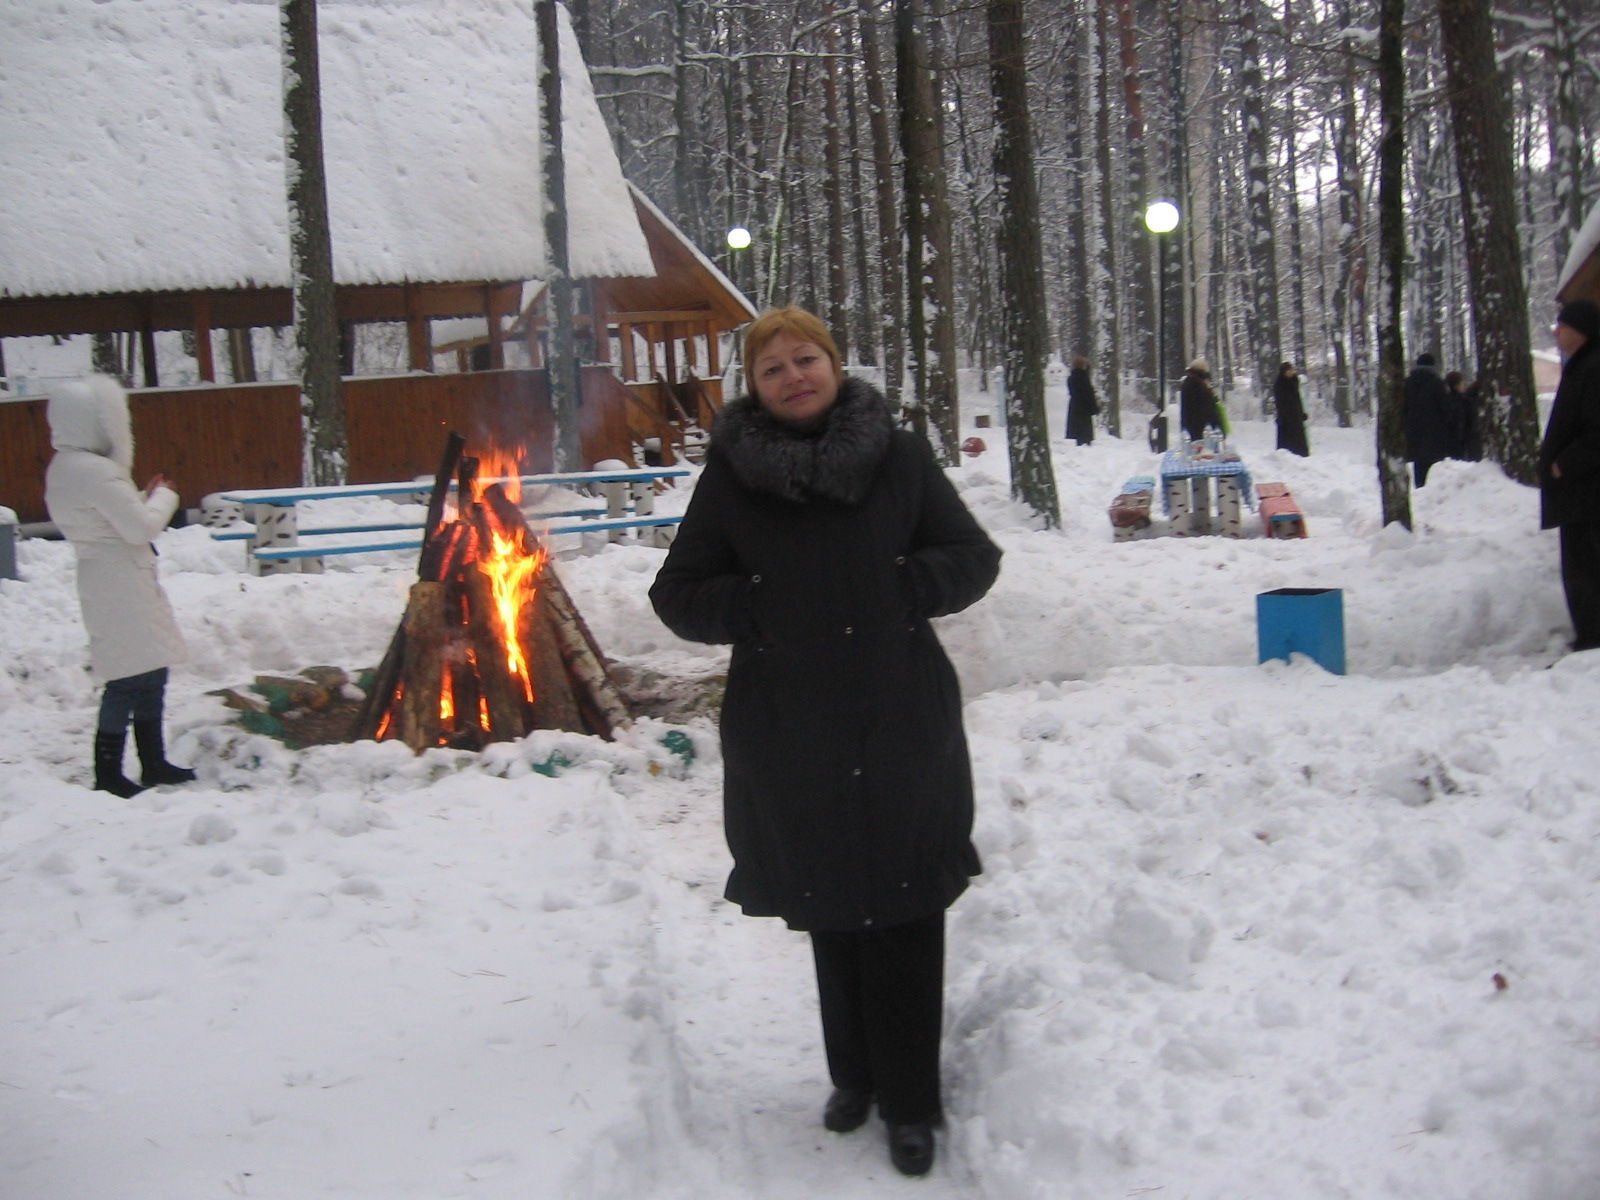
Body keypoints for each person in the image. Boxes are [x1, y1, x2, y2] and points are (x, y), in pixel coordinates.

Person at [649, 307, 1001, 1177]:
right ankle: (856, 1077)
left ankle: (911, 1102)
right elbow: (678, 592)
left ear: (835, 365)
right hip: (789, 723)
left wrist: (906, 585)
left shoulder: (899, 457)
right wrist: (759, 606)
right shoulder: (734, 477)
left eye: (805, 359)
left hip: (900, 713)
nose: (793, 377)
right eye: (772, 369)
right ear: (754, 388)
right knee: (832, 903)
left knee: (906, 903)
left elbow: (972, 555)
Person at [44, 374, 195, 797]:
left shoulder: (65, 468)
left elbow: (112, 520)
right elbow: (140, 527)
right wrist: (164, 496)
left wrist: (141, 497)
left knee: (148, 670)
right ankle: (112, 772)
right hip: (123, 581)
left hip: (107, 577)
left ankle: (151, 763)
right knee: (130, 679)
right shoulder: (96, 472)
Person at [1539, 298, 1600, 653]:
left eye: (1563, 326)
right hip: (1579, 495)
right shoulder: (1582, 365)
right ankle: (1589, 637)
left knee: (1586, 570)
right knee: (1580, 569)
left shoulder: (1593, 367)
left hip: (1587, 493)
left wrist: (1564, 463)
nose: (1557, 333)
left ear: (1581, 330)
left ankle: (1593, 642)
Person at [1404, 352, 1452, 487]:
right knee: (1434, 467)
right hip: (1434, 432)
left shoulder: (1407, 383)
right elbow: (1445, 408)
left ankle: (1420, 488)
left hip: (1413, 432)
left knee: (1419, 465)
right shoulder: (1437, 383)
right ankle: (1432, 492)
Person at [1179, 358, 1223, 444]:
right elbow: (1207, 404)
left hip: (1193, 424)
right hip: (1202, 426)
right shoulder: (1198, 384)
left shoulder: (1189, 382)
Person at [1273, 361, 1310, 456]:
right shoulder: (1280, 384)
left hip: (1296, 415)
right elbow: (1279, 402)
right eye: (1288, 371)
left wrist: (1301, 413)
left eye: (1291, 370)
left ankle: (1301, 453)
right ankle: (1285, 454)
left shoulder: (1294, 381)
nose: (1291, 372)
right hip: (1285, 416)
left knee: (1298, 437)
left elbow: (1297, 400)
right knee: (1286, 438)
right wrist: (1283, 415)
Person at [1065, 355, 1099, 445]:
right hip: (1084, 408)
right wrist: (1094, 408)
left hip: (1074, 406)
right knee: (1085, 432)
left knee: (1077, 430)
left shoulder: (1071, 378)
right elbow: (1088, 394)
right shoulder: (1084, 378)